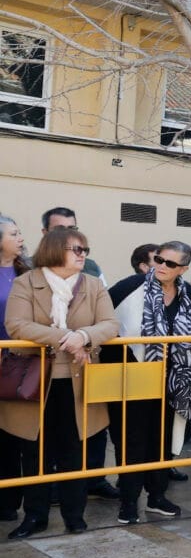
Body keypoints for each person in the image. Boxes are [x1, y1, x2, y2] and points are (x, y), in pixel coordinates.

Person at [2, 227, 120, 537]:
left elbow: (110, 324)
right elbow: (16, 325)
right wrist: (67, 338)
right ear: (54, 250)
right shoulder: (27, 282)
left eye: (84, 249)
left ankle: (74, 515)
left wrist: (84, 335)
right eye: (76, 249)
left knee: (75, 450)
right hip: (36, 379)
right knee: (35, 451)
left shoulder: (93, 284)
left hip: (79, 379)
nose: (83, 255)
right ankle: (35, 516)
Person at [105, 241, 191, 524]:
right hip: (132, 377)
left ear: (182, 268)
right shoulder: (130, 287)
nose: (161, 266)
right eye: (159, 259)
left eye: (170, 263)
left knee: (162, 440)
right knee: (131, 441)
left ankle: (157, 496)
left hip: (173, 381)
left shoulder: (188, 294)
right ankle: (128, 501)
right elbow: (104, 321)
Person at [0, 215, 31, 521]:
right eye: (13, 233)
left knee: (12, 433)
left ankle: (8, 502)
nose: (21, 238)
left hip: (19, 364)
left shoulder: (28, 271)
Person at [41, 207, 104, 282]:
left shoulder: (91, 268)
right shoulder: (30, 268)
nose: (67, 234)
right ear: (45, 233)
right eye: (60, 229)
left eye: (71, 229)